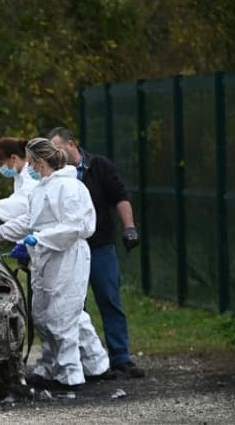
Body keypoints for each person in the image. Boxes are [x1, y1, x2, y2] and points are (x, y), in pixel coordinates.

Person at [0, 138, 109, 390]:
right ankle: (82, 365)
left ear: (39, 162)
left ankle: (70, 375)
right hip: (45, 256)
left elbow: (74, 227)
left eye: (30, 161)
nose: (28, 166)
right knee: (42, 314)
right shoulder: (40, 189)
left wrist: (38, 239)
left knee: (62, 315)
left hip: (68, 256)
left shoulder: (70, 188)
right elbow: (29, 221)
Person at [47, 127, 145, 378]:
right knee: (75, 305)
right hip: (70, 250)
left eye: (57, 149)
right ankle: (87, 360)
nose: (54, 154)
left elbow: (120, 197)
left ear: (72, 144)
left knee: (109, 298)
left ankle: (120, 357)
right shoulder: (55, 175)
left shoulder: (99, 167)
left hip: (99, 245)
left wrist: (129, 227)